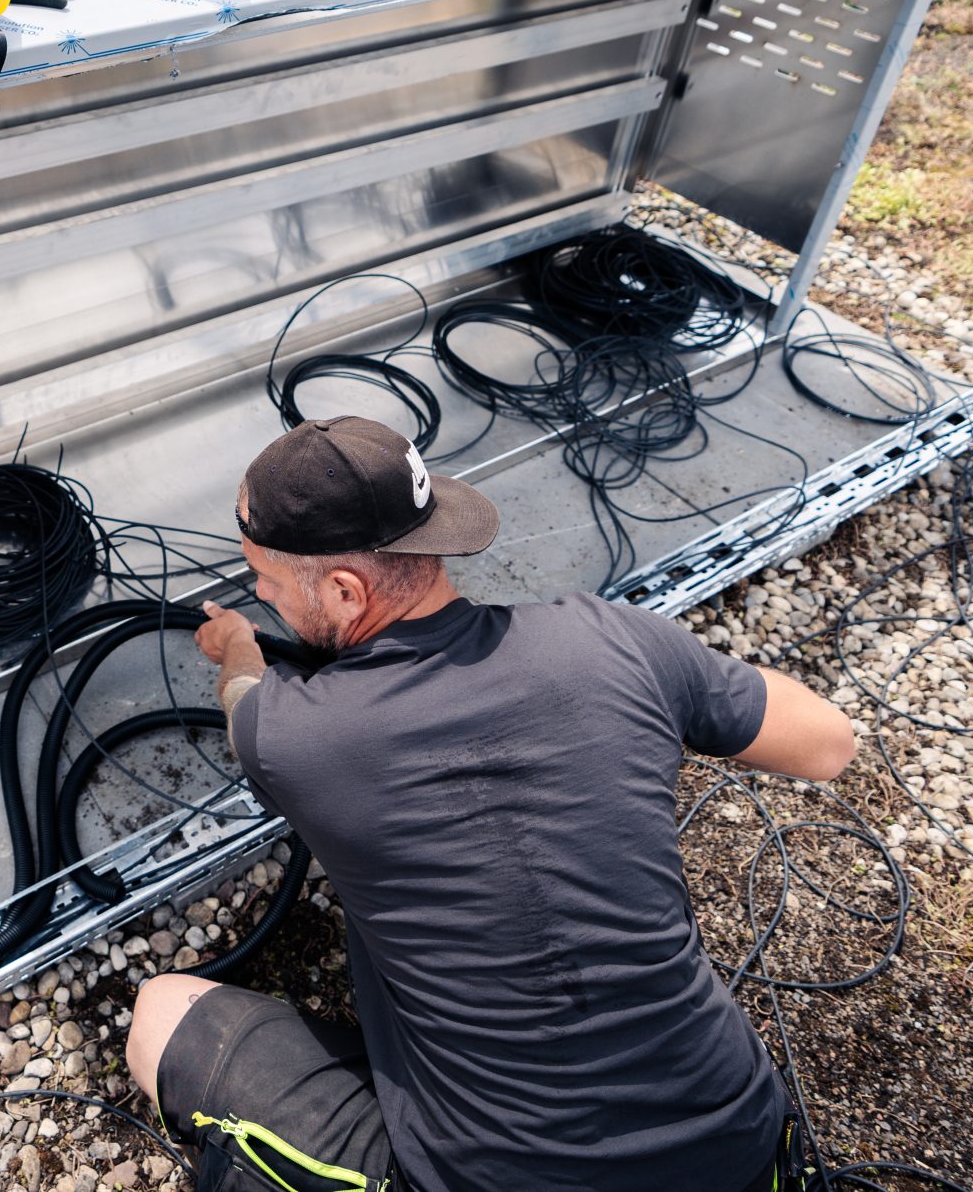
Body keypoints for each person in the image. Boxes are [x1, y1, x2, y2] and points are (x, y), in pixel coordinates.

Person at [127, 416, 858, 1192]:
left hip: (497, 1180)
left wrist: (237, 643)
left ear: (345, 589)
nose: (262, 596)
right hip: (741, 1151)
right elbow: (828, 743)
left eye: (265, 580)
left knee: (160, 1016)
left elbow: (245, 701)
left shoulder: (292, 737)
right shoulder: (617, 640)